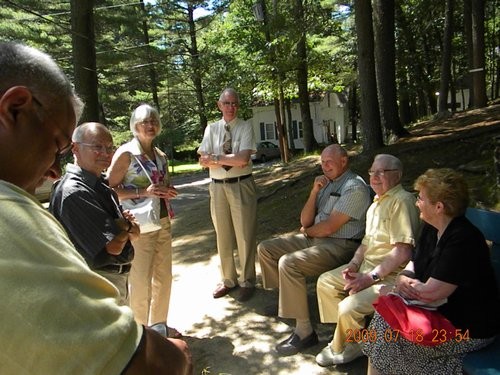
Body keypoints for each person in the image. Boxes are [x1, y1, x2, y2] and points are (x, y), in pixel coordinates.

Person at [0, 41, 191, 374]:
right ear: (15, 109)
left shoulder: (151, 157)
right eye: (57, 147)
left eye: (108, 147)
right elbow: (154, 365)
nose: (54, 172)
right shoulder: (15, 217)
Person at [364, 168, 500, 375]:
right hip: (437, 314)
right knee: (383, 325)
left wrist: (403, 286)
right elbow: (414, 264)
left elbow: (430, 292)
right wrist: (403, 277)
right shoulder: (431, 227)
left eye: (420, 198)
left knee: (388, 338)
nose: (417, 202)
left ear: (438, 207)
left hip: (467, 328)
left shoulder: (463, 239)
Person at [258, 144, 372, 356]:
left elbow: (329, 227)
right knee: (266, 249)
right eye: (322, 162)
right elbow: (305, 219)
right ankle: (286, 300)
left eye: (329, 161)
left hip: (341, 245)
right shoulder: (326, 183)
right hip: (315, 238)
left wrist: (308, 231)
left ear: (344, 161)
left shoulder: (355, 187)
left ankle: (305, 332)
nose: (324, 166)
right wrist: (314, 192)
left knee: (289, 262)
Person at [314, 154, 420, 366]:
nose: (375, 176)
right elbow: (365, 243)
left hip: (390, 278)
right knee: (325, 282)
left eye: (382, 172)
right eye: (372, 171)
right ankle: (353, 337)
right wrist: (353, 264)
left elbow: (403, 252)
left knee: (347, 307)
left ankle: (349, 343)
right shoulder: (375, 203)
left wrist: (368, 278)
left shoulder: (402, 202)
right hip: (366, 269)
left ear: (397, 176)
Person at [107, 104, 180, 337]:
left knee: (164, 277)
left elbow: (159, 188)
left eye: (153, 121)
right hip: (138, 227)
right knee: (140, 280)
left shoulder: (160, 156)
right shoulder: (126, 154)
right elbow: (109, 190)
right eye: (144, 121)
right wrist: (143, 193)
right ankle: (140, 333)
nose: (150, 125)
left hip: (162, 222)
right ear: (135, 126)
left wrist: (168, 191)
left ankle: (159, 327)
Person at [49, 122, 139, 305]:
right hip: (96, 285)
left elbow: (136, 233)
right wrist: (127, 226)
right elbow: (114, 246)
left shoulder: (101, 185)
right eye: (97, 147)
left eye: (109, 147)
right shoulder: (75, 191)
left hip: (114, 280)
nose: (106, 154)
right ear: (75, 148)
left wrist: (125, 226)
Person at [198, 88, 258, 302]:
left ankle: (248, 280)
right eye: (226, 103)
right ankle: (228, 280)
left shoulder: (245, 126)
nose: (231, 107)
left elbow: (242, 160)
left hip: (241, 184)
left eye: (234, 103)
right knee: (222, 234)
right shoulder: (211, 129)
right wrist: (223, 158)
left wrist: (214, 157)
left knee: (244, 234)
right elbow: (201, 160)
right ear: (219, 105)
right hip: (217, 187)